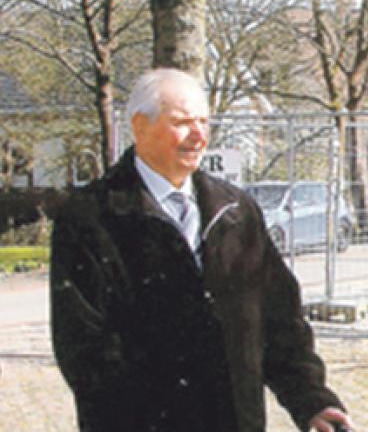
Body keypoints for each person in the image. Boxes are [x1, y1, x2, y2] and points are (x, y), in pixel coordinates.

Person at [50, 69, 352, 432]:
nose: (198, 135)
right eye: (181, 122)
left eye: (204, 122)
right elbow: (84, 346)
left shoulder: (236, 212)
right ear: (140, 127)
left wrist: (312, 401)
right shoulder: (91, 218)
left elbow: (279, 320)